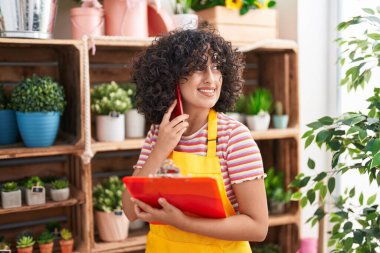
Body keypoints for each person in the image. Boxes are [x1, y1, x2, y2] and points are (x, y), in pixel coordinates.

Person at [122, 26, 268, 253]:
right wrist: (160, 150)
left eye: (217, 67)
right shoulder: (158, 135)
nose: (211, 79)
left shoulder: (234, 138)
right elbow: (130, 212)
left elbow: (257, 227)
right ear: (172, 76)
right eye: (198, 68)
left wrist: (183, 222)